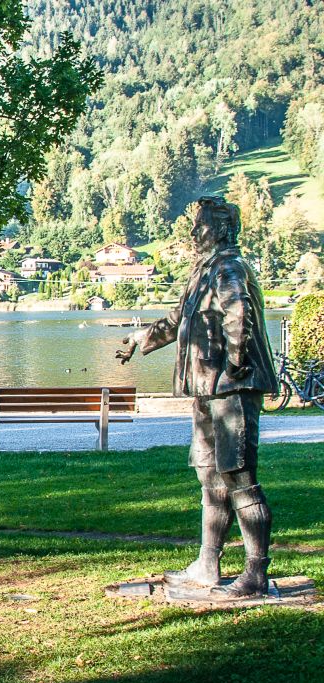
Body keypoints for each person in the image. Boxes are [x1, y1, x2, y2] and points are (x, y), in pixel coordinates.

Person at [115, 195, 278, 598]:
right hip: (207, 388)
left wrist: (235, 363)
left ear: (221, 229)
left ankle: (255, 573)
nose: (193, 232)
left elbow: (238, 313)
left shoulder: (228, 267)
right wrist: (141, 337)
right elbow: (178, 319)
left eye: (200, 225)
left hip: (230, 388)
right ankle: (208, 564)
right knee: (209, 475)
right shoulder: (203, 272)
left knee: (239, 477)